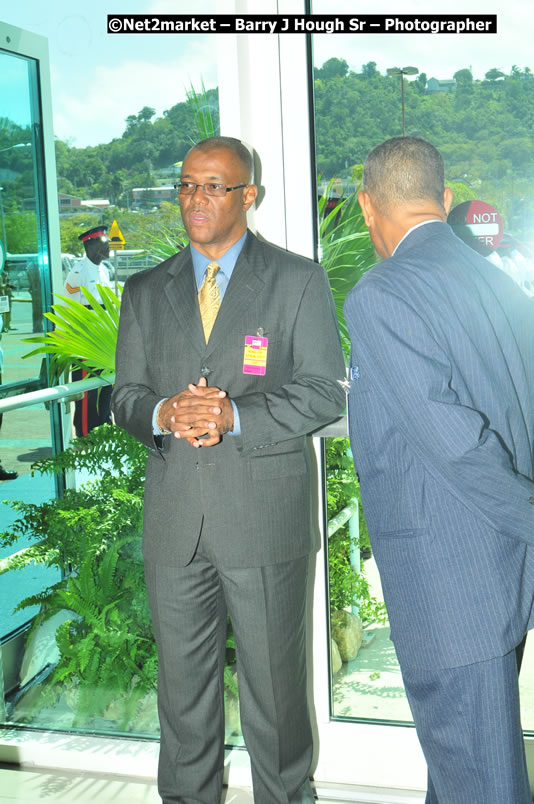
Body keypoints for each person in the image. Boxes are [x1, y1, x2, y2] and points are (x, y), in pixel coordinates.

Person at [111, 135, 346, 803]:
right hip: (176, 522)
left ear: (249, 196)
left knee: (275, 701)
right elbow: (124, 398)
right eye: (187, 184)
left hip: (264, 519)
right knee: (182, 706)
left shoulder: (298, 279)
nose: (195, 198)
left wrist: (232, 417)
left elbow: (324, 390)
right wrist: (164, 412)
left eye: (214, 186)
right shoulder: (144, 290)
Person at [344, 136, 534, 804]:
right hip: (501, 572)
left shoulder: (381, 294)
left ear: (367, 206)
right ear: (445, 199)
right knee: (467, 762)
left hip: (450, 580)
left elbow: (455, 445)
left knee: (478, 776)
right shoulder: (496, 278)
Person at [64, 225, 114, 437]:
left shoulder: (104, 270)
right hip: (86, 341)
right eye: (104, 244)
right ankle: (86, 435)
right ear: (90, 245)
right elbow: (70, 308)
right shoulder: (78, 272)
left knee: (106, 388)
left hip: (103, 339)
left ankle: (105, 428)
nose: (109, 248)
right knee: (87, 392)